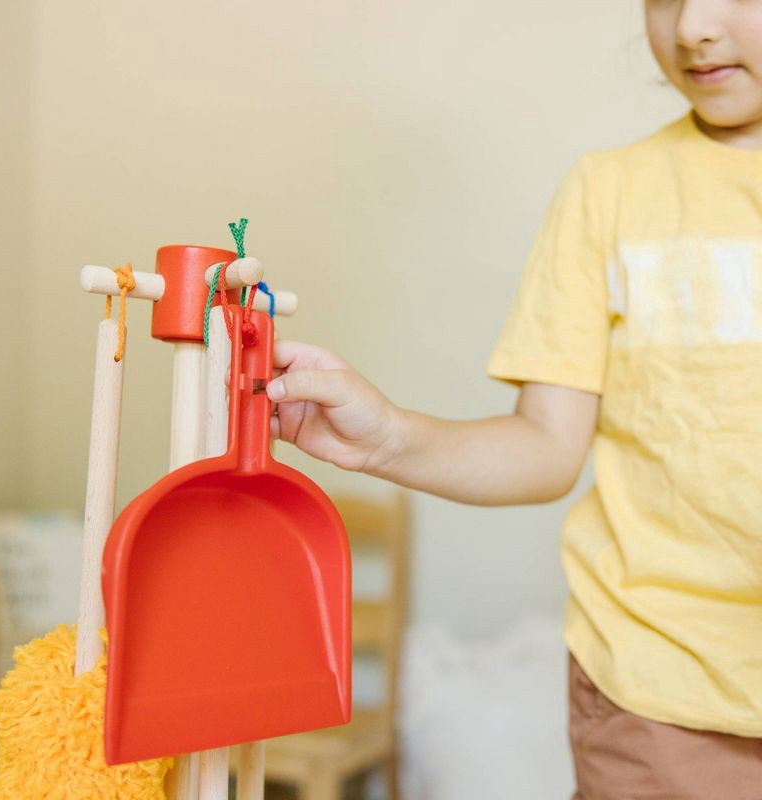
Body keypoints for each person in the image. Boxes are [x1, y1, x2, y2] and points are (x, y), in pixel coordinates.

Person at [258, 1, 762, 797]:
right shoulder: (610, 192)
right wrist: (388, 437)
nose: (694, 26)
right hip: (655, 697)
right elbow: (546, 446)